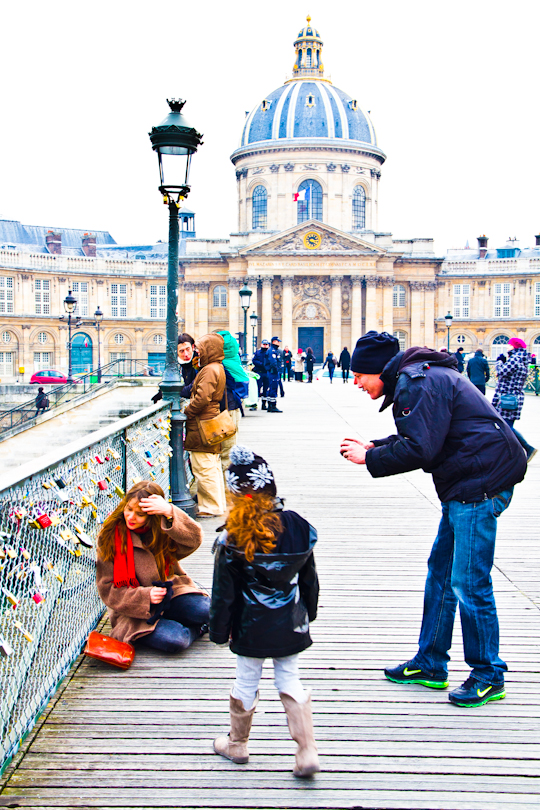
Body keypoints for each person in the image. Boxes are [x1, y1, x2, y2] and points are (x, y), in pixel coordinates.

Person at [340, 331, 527, 708]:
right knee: (441, 574)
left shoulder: (418, 382)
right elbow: (429, 434)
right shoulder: (418, 378)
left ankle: (488, 674)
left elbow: (422, 449)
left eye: (359, 374)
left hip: (481, 484)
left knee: (469, 581)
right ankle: (431, 662)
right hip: (467, 480)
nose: (355, 381)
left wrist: (369, 458)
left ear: (378, 370)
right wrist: (378, 446)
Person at [210, 445, 320, 777]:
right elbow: (310, 578)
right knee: (290, 679)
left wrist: (219, 631)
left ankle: (238, 745)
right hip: (290, 619)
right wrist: (307, 613)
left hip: (249, 625)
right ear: (269, 486)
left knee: (246, 680)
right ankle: (306, 751)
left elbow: (223, 595)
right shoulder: (298, 526)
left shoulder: (232, 538)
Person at [96, 481, 210, 653]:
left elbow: (194, 539)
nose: (131, 517)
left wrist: (170, 511)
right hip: (134, 611)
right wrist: (145, 596)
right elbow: (108, 590)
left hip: (171, 593)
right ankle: (198, 628)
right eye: (128, 509)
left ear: (152, 516)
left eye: (140, 514)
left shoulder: (161, 530)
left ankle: (183, 617)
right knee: (177, 640)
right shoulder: (109, 537)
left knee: (208, 610)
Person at [184, 333, 227, 517]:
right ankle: (217, 504)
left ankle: (210, 507)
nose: (197, 353)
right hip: (209, 420)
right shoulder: (216, 367)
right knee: (212, 464)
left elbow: (202, 399)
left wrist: (186, 412)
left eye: (200, 350)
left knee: (204, 466)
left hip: (202, 423)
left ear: (209, 350)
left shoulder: (209, 370)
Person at [492, 337, 536, 462]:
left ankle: (526, 449)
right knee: (506, 425)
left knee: (506, 426)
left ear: (514, 346)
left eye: (509, 344)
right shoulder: (522, 359)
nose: (507, 346)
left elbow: (501, 372)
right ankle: (511, 452)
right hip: (514, 396)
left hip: (508, 397)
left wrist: (499, 362)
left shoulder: (515, 359)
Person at [216, 330, 248, 477]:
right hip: (235, 406)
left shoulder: (219, 364)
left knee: (225, 452)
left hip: (225, 409)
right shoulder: (234, 358)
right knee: (229, 447)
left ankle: (225, 489)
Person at [151, 333, 198, 404]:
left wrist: (168, 391)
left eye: (188, 349)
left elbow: (192, 389)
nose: (186, 354)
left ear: (193, 347)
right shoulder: (183, 364)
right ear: (177, 353)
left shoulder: (199, 363)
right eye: (181, 351)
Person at [252, 339, 270, 409]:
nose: (265, 346)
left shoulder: (269, 352)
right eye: (264, 344)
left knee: (266, 389)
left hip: (267, 372)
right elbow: (254, 360)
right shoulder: (258, 352)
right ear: (261, 344)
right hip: (259, 372)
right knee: (257, 389)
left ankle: (264, 404)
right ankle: (254, 404)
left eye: (266, 344)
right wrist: (261, 364)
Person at [266, 337, 283, 412]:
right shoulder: (272, 350)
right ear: (274, 342)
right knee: (273, 388)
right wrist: (276, 370)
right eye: (278, 341)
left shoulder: (274, 350)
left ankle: (270, 405)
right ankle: (273, 406)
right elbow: (273, 362)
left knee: (271, 388)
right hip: (273, 372)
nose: (279, 343)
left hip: (272, 372)